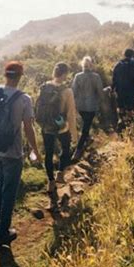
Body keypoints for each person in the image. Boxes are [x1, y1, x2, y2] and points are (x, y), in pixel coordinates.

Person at [0, 61, 40, 247]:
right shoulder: (24, 99)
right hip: (12, 152)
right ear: (20, 76)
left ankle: (0, 220)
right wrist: (35, 151)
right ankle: (2, 232)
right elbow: (28, 128)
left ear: (5, 75)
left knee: (0, 184)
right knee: (9, 192)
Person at [36, 62, 78, 193]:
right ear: (65, 74)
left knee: (48, 154)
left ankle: (51, 182)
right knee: (65, 149)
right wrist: (75, 134)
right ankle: (60, 173)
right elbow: (71, 114)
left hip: (47, 126)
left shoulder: (44, 87)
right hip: (62, 127)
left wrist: (41, 124)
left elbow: (38, 108)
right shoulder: (67, 91)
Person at [72, 56, 103, 160]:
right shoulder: (96, 77)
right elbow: (100, 93)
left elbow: (73, 92)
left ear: (82, 65)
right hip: (91, 106)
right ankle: (78, 151)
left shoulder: (77, 76)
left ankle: (87, 141)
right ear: (91, 65)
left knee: (85, 126)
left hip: (80, 106)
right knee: (85, 129)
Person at [112, 49, 134, 129]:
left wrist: (113, 88)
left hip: (120, 91)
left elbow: (114, 78)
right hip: (131, 91)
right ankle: (130, 127)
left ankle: (121, 122)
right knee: (130, 109)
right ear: (132, 55)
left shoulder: (118, 65)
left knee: (121, 108)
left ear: (124, 54)